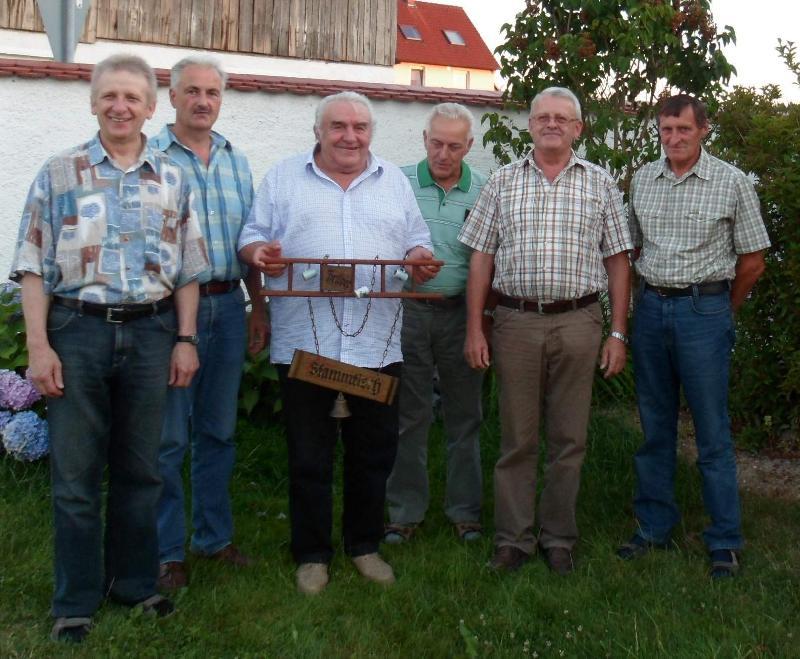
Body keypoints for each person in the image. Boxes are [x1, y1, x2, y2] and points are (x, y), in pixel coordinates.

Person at [9, 54, 208, 642]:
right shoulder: (59, 172)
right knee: (75, 474)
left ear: (151, 107)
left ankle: (134, 584)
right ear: (93, 102)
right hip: (78, 333)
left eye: (132, 98)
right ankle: (74, 600)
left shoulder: (174, 177)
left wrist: (186, 340)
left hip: (151, 334)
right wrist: (39, 347)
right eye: (109, 96)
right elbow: (32, 266)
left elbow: (190, 269)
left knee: (141, 470)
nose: (120, 107)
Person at [238, 91, 439, 595]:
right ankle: (311, 554)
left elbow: (418, 237)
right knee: (309, 455)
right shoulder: (284, 177)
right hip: (306, 343)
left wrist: (418, 255)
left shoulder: (393, 181)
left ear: (371, 132)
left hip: (376, 342)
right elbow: (251, 235)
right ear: (318, 132)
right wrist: (261, 252)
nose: (350, 136)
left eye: (360, 127)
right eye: (338, 126)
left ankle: (365, 546)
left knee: (374, 451)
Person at [459, 87, 632, 575]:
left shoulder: (600, 184)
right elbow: (481, 258)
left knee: (569, 438)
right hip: (515, 322)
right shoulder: (502, 182)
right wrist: (477, 326)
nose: (551, 124)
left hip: (579, 321)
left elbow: (618, 261)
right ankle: (513, 539)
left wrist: (617, 332)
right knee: (517, 437)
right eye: (542, 117)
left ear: (578, 128)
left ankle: (559, 538)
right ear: (530, 125)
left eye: (562, 118)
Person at [617, 94, 770, 578]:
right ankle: (653, 526)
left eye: (683, 129)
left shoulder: (731, 182)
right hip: (652, 309)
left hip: (705, 311)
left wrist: (722, 311)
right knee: (655, 426)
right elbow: (630, 245)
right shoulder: (644, 178)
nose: (674, 139)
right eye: (666, 130)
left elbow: (752, 260)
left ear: (703, 129)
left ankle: (724, 540)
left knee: (712, 433)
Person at [151, 55, 267, 591]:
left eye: (212, 93)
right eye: (192, 91)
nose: (202, 101)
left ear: (222, 99)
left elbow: (249, 243)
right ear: (171, 97)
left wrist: (259, 306)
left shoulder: (235, 160)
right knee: (169, 436)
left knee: (218, 432)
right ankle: (165, 550)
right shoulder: (149, 158)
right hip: (167, 313)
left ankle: (213, 538)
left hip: (226, 304)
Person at [384, 103, 486, 544]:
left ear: (469, 146)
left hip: (462, 312)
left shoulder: (485, 190)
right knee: (410, 414)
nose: (444, 154)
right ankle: (404, 513)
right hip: (407, 310)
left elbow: (488, 257)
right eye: (437, 143)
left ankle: (466, 512)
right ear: (424, 139)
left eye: (454, 146)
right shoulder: (396, 183)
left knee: (466, 415)